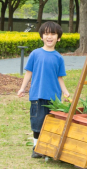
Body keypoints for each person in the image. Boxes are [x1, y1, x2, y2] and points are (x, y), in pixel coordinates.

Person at [17, 21, 70, 158]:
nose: (49, 37)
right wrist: (22, 88)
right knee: (37, 122)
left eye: (53, 34)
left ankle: (48, 147)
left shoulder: (58, 58)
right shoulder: (35, 54)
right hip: (37, 95)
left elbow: (59, 77)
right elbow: (29, 72)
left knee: (52, 122)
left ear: (58, 38)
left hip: (53, 97)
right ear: (41, 37)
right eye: (46, 34)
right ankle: (36, 147)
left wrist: (65, 91)